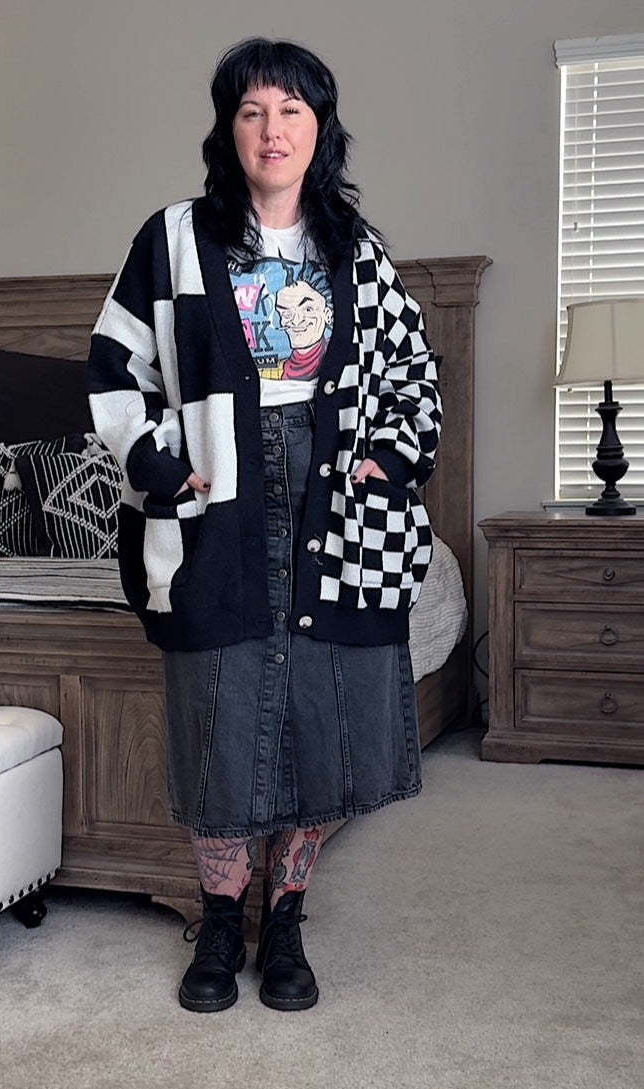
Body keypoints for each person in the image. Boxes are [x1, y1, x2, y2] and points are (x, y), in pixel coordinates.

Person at [88, 36, 442, 1014]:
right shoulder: (171, 238)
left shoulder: (357, 252)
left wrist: (396, 459)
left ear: (319, 128)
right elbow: (117, 367)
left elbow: (414, 375)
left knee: (323, 719)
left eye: (290, 110)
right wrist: (162, 467)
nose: (272, 128)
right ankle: (217, 921)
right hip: (219, 504)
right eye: (252, 111)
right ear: (228, 129)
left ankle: (284, 920)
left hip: (336, 506)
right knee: (222, 713)